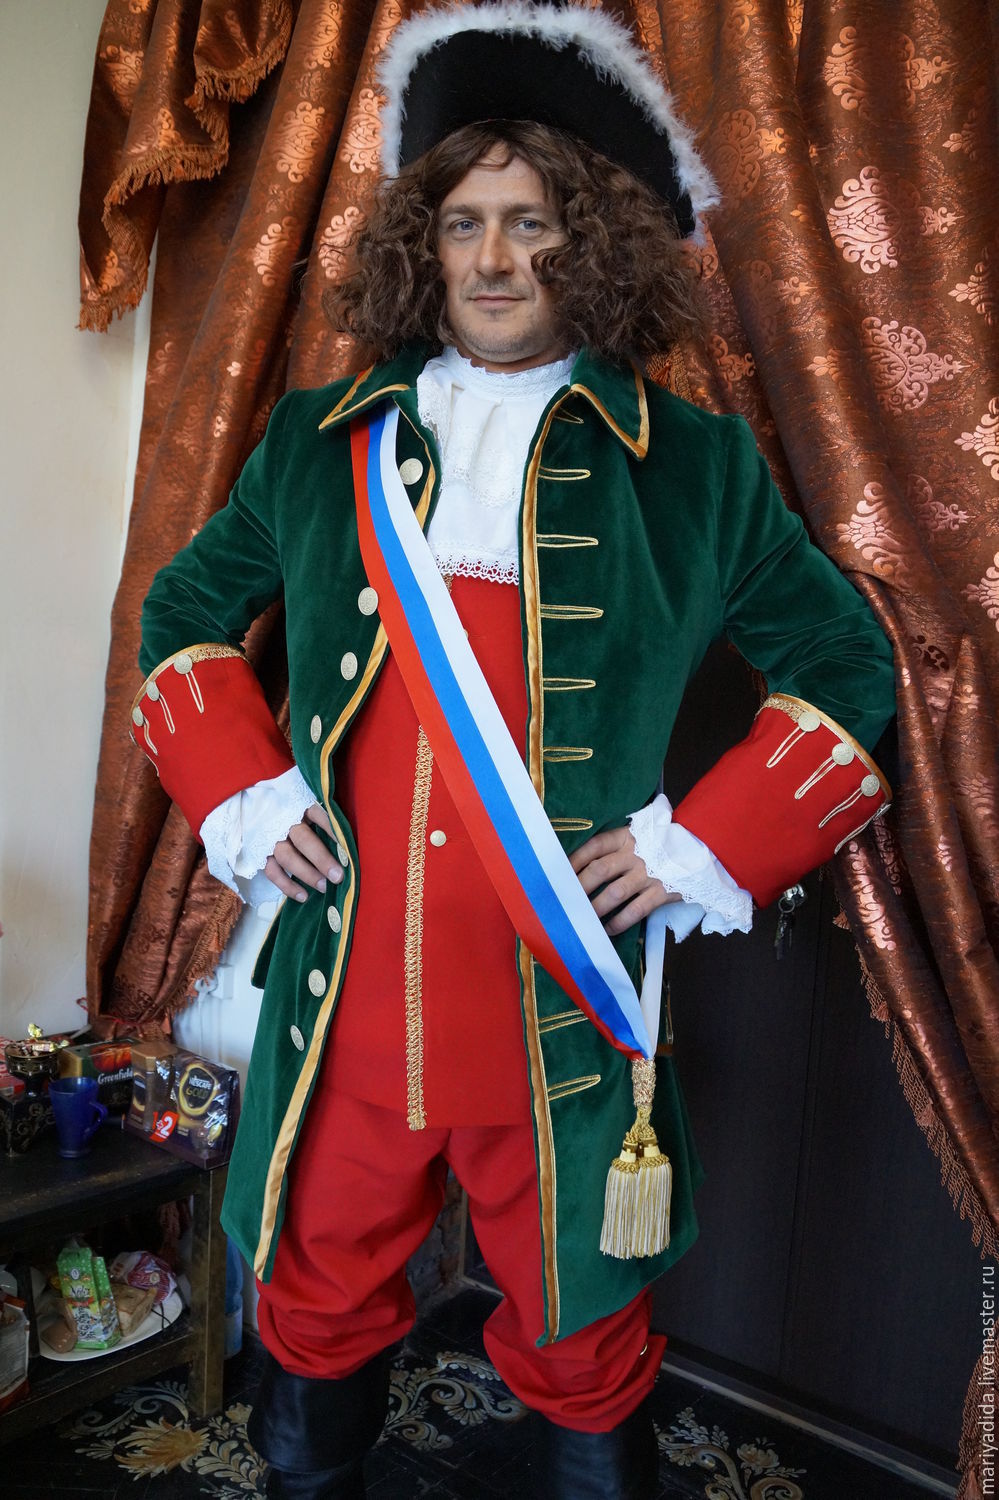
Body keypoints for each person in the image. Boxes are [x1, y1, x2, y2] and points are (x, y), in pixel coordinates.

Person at [128, 6, 896, 1497]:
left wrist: (703, 844)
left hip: (561, 1008)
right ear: (422, 243)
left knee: (584, 1327)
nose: (492, 259)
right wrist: (241, 784)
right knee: (315, 1299)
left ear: (590, 241)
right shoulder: (319, 442)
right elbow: (183, 615)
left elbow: (846, 662)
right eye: (463, 221)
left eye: (532, 222)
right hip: (345, 999)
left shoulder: (695, 469)